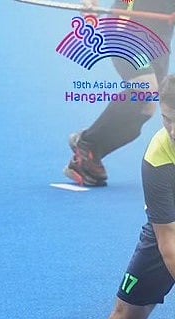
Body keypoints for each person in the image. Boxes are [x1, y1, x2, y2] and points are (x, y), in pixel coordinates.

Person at [68, 74, 175, 319]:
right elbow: (168, 243)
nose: (173, 130)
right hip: (167, 235)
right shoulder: (159, 156)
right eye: (167, 119)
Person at [64, 0, 175, 187]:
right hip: (127, 28)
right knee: (145, 90)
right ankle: (86, 146)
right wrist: (90, 5)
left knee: (146, 109)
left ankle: (91, 150)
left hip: (159, 38)